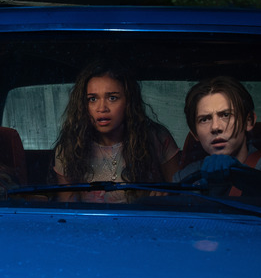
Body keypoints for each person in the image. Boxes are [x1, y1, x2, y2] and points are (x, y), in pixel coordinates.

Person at [53, 58, 180, 203]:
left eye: (112, 98)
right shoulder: (69, 147)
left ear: (128, 102)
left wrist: (165, 194)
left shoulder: (156, 138)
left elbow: (180, 194)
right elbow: (67, 207)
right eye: (92, 99)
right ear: (83, 104)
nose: (102, 108)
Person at [173, 76, 261, 204]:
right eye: (204, 119)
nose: (215, 127)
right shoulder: (185, 178)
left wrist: (244, 177)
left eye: (226, 115)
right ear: (195, 133)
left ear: (248, 121)